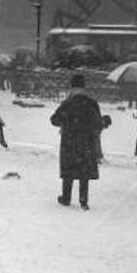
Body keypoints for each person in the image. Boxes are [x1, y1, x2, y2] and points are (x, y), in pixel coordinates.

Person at [50, 73, 104, 210]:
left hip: (69, 142)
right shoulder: (91, 103)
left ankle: (66, 198)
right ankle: (83, 200)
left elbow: (54, 120)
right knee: (84, 172)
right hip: (87, 143)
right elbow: (98, 123)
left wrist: (66, 119)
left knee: (68, 170)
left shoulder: (68, 103)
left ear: (72, 87)